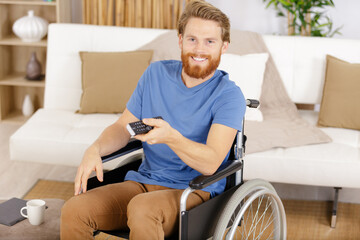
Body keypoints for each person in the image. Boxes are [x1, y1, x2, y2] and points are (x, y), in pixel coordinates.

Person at [60, 1, 246, 239]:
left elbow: (210, 163)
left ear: (224, 46)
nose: (199, 49)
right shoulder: (155, 74)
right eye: (192, 39)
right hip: (144, 181)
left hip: (194, 191)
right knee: (75, 210)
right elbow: (122, 127)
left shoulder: (229, 96)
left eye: (210, 41)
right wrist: (94, 148)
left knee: (143, 208)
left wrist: (171, 137)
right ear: (180, 40)